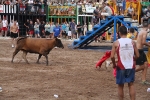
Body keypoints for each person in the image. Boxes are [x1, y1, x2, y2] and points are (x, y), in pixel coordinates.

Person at [111, 26, 139, 100]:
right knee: (131, 84)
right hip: (131, 65)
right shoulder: (132, 42)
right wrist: (133, 60)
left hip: (121, 66)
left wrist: (114, 64)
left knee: (120, 86)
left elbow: (112, 57)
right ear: (127, 33)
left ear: (119, 33)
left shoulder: (116, 43)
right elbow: (137, 55)